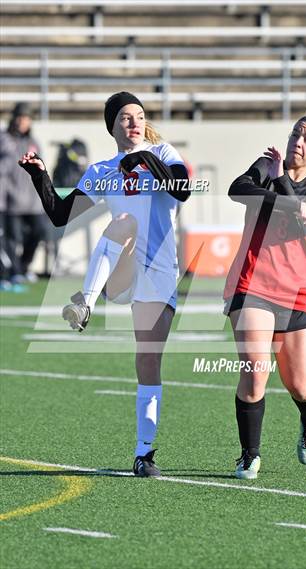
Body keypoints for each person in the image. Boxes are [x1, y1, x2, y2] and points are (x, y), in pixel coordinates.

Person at [19, 91, 190, 477]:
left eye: (140, 116)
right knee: (123, 223)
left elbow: (180, 188)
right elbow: (62, 214)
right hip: (119, 276)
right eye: (126, 117)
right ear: (111, 125)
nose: (134, 122)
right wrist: (40, 175)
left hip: (159, 275)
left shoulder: (163, 155)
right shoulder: (102, 170)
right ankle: (85, 302)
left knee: (148, 361)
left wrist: (142, 158)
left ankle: (144, 454)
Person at [223, 114, 306, 479]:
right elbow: (237, 190)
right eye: (294, 134)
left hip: (296, 290)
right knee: (256, 375)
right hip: (252, 284)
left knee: (300, 385)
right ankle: (249, 455)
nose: (296, 142)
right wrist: (279, 186)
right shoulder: (265, 166)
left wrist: (282, 186)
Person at [1, 102, 47, 285]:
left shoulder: (33, 142)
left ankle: (22, 266)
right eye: (20, 117)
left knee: (39, 231)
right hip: (11, 200)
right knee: (12, 239)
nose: (22, 121)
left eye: (26, 118)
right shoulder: (4, 139)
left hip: (32, 201)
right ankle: (15, 272)